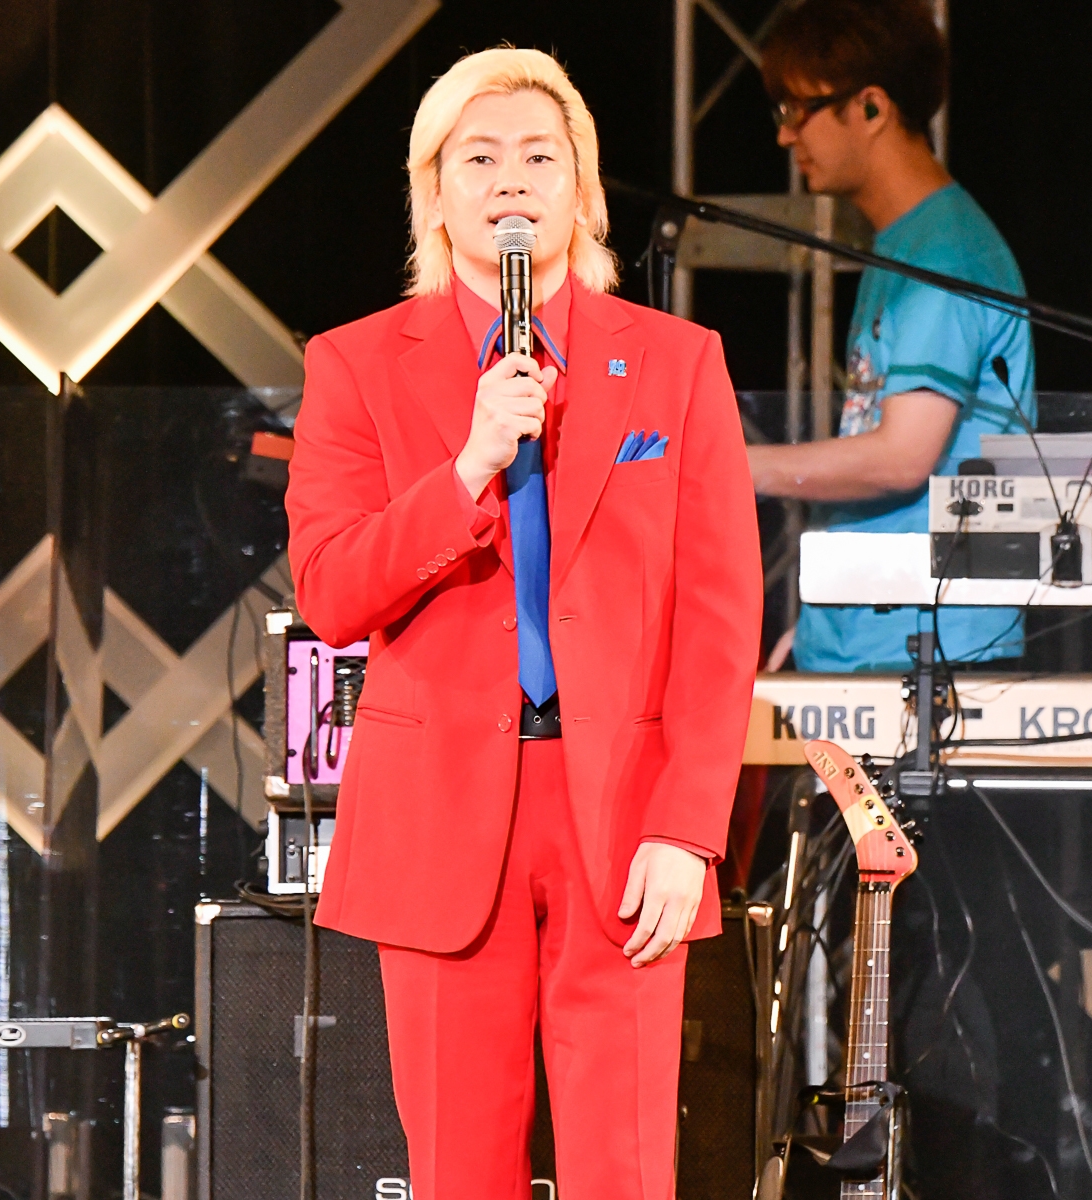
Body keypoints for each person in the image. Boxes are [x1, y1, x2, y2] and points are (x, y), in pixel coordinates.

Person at [284, 48, 762, 1200]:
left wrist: (687, 828)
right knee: (458, 1173)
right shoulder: (354, 366)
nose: (511, 180)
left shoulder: (675, 363)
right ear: (433, 192)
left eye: (541, 157)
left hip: (624, 817)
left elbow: (719, 611)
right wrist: (468, 466)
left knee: (625, 1171)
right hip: (441, 818)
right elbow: (331, 591)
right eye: (479, 158)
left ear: (582, 190)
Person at [746, 0, 1036, 672]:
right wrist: (819, 631)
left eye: (797, 110)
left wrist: (736, 468)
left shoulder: (944, 253)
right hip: (871, 638)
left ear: (871, 108)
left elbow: (903, 457)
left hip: (930, 649)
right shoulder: (908, 242)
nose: (785, 136)